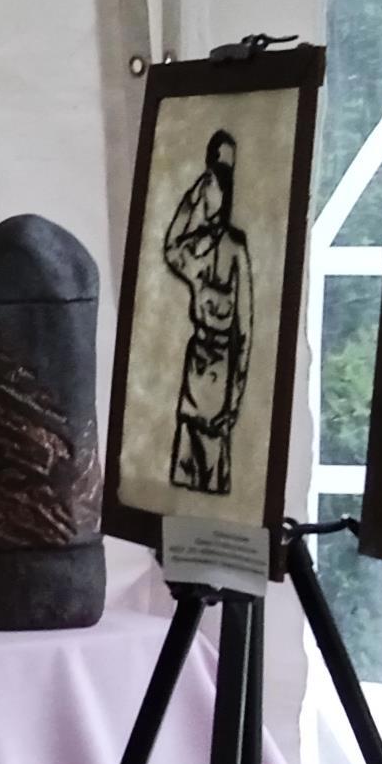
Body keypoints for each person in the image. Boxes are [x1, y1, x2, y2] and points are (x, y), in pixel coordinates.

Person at [158, 130, 251, 494]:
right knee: (186, 458)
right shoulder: (195, 248)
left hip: (221, 370)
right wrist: (188, 200)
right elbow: (169, 248)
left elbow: (244, 331)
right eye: (204, 185)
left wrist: (237, 395)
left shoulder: (235, 250)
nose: (207, 192)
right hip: (196, 363)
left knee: (212, 461)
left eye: (211, 185)